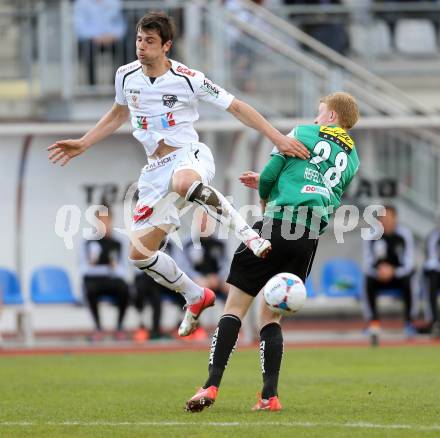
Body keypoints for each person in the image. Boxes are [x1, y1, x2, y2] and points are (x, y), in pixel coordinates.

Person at [48, 11, 309, 338]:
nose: (142, 47)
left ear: (167, 45)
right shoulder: (125, 75)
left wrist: (279, 138)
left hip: (189, 155)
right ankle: (196, 296)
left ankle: (250, 236)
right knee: (139, 255)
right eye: (140, 39)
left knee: (185, 182)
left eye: (150, 42)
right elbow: (118, 113)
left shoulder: (189, 78)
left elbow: (237, 106)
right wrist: (84, 143)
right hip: (154, 173)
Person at [185, 92, 360, 412]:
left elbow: (268, 177)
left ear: (332, 116)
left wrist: (265, 198)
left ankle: (210, 386)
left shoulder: (303, 132)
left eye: (320, 112)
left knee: (234, 307)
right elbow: (330, 198)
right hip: (306, 238)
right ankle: (269, 396)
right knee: (271, 315)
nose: (316, 117)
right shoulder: (352, 158)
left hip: (276, 224)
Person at [363, 205, 416, 342]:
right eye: (382, 218)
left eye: (388, 217)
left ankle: (409, 323)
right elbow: (367, 262)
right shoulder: (371, 235)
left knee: (409, 280)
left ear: (395, 219)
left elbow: (410, 262)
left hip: (398, 276)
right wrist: (379, 271)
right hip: (378, 277)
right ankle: (373, 323)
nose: (385, 221)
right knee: (367, 280)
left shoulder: (404, 235)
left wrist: (393, 271)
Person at [80, 207, 130, 341]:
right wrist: (94, 264)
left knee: (126, 288)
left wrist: (113, 267)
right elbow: (83, 269)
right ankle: (98, 328)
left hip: (111, 280)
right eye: (100, 221)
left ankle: (119, 327)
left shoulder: (118, 243)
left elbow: (122, 270)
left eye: (106, 220)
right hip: (94, 281)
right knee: (89, 289)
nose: (104, 224)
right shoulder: (88, 242)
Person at [74, 0, 127, 85]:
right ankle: (91, 84)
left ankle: (117, 83)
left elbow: (121, 25)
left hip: (111, 39)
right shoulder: (81, 3)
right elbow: (79, 26)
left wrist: (113, 36)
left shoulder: (115, 3)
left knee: (124, 47)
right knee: (88, 48)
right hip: (91, 40)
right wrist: (96, 36)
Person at [422, 227, 440, 338]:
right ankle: (435, 322)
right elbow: (431, 261)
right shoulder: (433, 236)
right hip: (437, 272)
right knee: (431, 280)